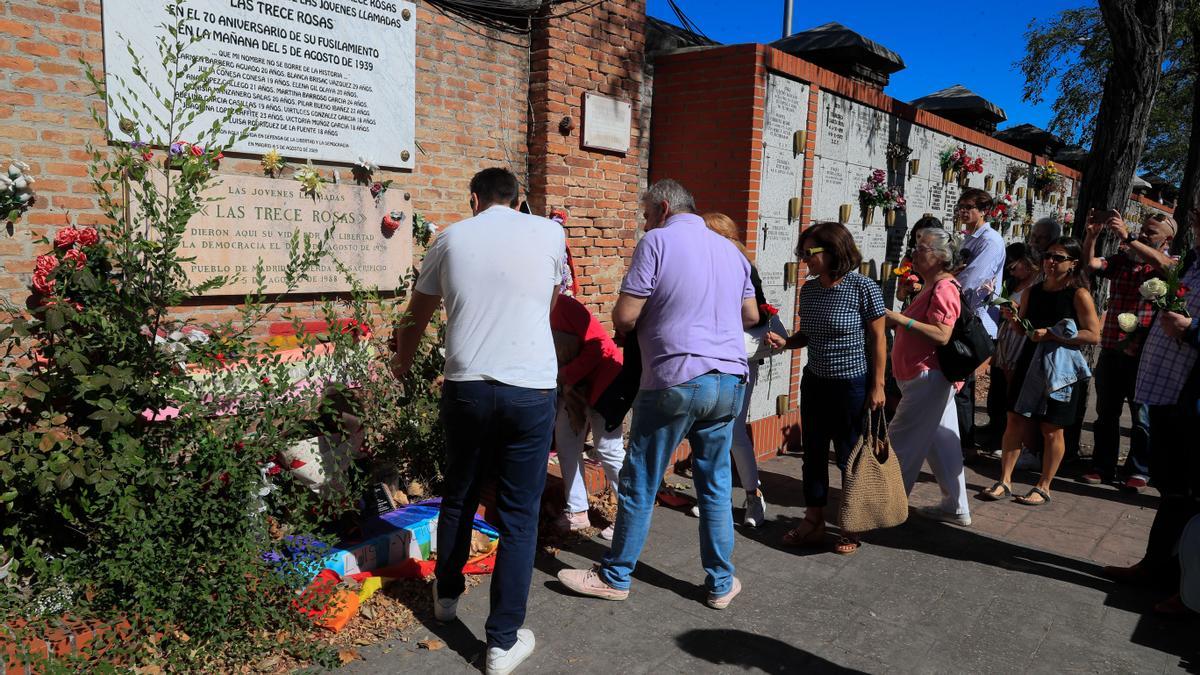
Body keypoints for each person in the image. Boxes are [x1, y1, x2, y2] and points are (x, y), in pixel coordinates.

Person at [390, 168, 564, 675]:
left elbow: (414, 317)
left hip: (466, 386)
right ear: (518, 200)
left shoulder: (449, 238)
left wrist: (401, 370)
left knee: (460, 493)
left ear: (473, 199)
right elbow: (550, 302)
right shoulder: (550, 233)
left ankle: (445, 600)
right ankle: (502, 642)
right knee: (518, 514)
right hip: (530, 388)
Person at [557, 179, 758, 609]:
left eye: (647, 214)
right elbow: (751, 314)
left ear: (664, 207)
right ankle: (721, 583)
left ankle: (615, 575)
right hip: (729, 380)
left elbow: (626, 316)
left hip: (676, 376)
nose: (645, 223)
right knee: (716, 483)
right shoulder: (730, 250)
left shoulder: (657, 242)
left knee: (640, 480)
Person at [766, 221, 886, 555]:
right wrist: (787, 341)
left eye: (811, 253)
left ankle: (851, 523)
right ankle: (813, 519)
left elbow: (878, 339)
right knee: (813, 454)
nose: (805, 260)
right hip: (816, 382)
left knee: (850, 455)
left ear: (835, 249)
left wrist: (877, 386)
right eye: (802, 254)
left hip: (852, 384)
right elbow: (809, 334)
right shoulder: (810, 289)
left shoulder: (863, 287)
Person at [1105, 207, 1200, 614]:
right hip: (1166, 388)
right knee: (1172, 486)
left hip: (1189, 395)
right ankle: (1157, 567)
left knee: (1187, 490)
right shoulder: (1195, 261)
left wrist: (1192, 331)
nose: (1197, 226)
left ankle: (1185, 586)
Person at [981, 237, 1100, 506]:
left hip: (1060, 368)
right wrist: (1013, 318)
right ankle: (1005, 480)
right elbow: (1024, 328)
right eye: (1048, 256)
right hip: (1029, 360)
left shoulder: (1078, 294)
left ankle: (1044, 485)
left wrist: (1055, 334)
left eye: (1058, 257)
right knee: (1015, 420)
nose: (1050, 261)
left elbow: (1093, 335)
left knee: (1051, 429)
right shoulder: (1033, 292)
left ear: (1073, 263)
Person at [1079, 210, 1175, 491]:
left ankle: (1139, 470)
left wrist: (1129, 237)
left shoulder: (1168, 263)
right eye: (1142, 229)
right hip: (1111, 347)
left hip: (1144, 354)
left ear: (1167, 239)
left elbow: (1166, 266)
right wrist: (1091, 237)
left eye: (1151, 232)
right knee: (1106, 412)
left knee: (1141, 416)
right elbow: (1091, 263)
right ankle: (1102, 466)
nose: (1144, 234)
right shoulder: (1122, 260)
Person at [882, 227, 971, 525]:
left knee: (901, 443)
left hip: (928, 379)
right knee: (943, 444)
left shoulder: (944, 288)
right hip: (926, 378)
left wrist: (899, 319)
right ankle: (956, 507)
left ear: (941, 257)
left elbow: (941, 335)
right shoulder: (932, 285)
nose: (915, 253)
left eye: (922, 249)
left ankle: (887, 509)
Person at [699, 211, 770, 527]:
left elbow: (759, 315)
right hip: (712, 357)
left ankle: (754, 497)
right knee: (715, 428)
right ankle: (717, 498)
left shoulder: (743, 267)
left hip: (740, 357)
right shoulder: (704, 266)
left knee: (734, 429)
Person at [550, 293, 627, 541]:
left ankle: (631, 516)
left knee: (608, 449)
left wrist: (566, 376)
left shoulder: (566, 307)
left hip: (606, 383)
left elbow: (598, 346)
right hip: (574, 388)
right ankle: (577, 511)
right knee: (565, 441)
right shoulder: (530, 311)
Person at [952, 188, 1006, 457]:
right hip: (962, 313)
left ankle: (965, 443)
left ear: (984, 210)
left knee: (963, 383)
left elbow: (972, 279)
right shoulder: (970, 237)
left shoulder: (990, 241)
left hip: (973, 317)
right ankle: (960, 439)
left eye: (969, 207)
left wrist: (947, 288)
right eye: (960, 206)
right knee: (959, 380)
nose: (963, 211)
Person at [980, 243, 1040, 456]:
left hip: (1021, 342)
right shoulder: (1012, 283)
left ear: (1027, 262)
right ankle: (997, 434)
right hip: (1006, 339)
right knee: (998, 390)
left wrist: (1016, 310)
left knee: (1013, 391)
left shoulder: (1038, 285)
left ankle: (1015, 443)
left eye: (1014, 266)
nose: (1010, 271)